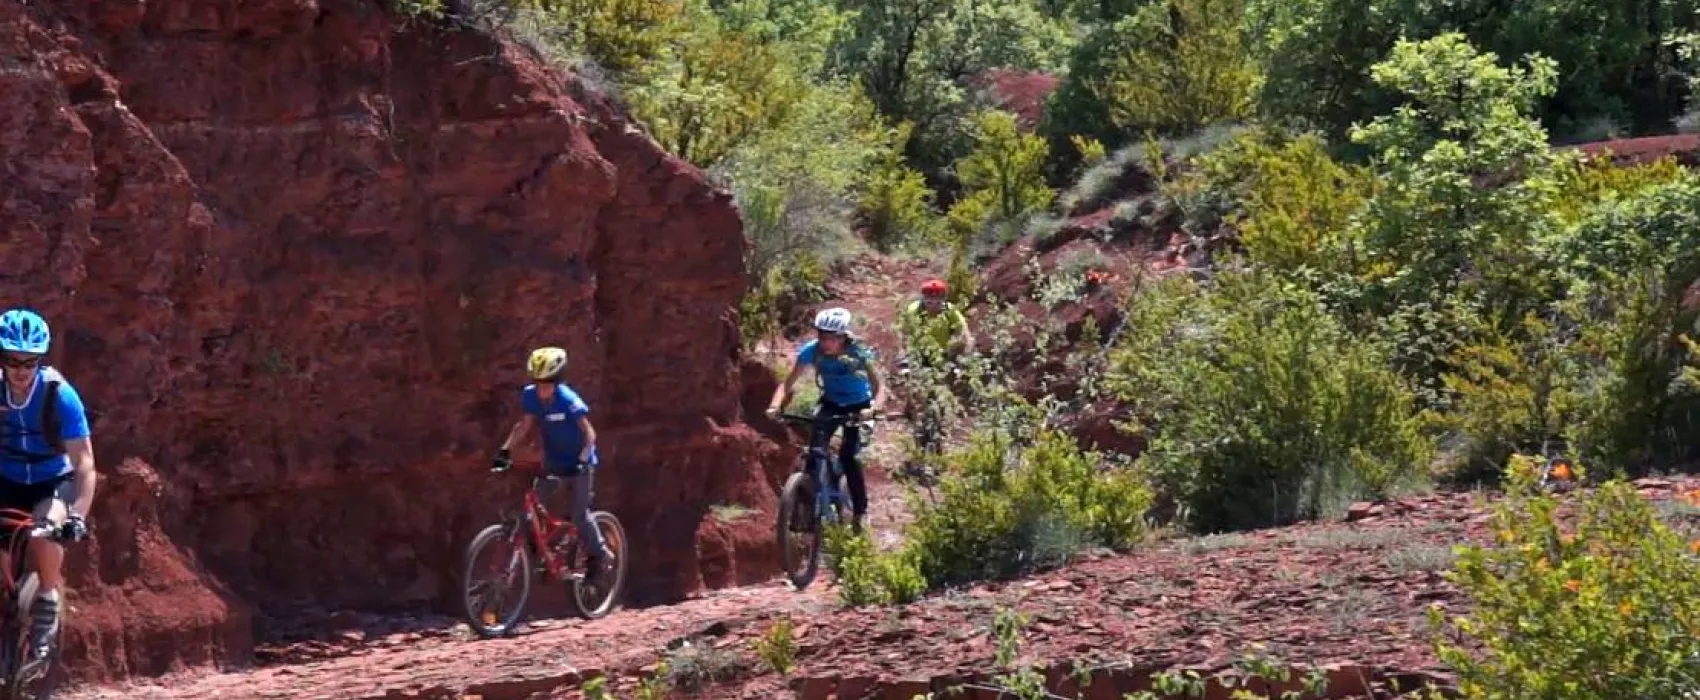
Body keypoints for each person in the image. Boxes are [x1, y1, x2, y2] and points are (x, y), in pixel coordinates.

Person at [0, 309, 93, 663]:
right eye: (12, 361)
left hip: (52, 479)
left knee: (45, 532)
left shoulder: (60, 395)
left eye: (30, 362)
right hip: (6, 476)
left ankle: (48, 598)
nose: (21, 370)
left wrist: (78, 516)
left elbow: (84, 462)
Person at [491, 347, 613, 579]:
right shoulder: (530, 396)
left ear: (557, 381)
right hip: (554, 462)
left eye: (547, 383)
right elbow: (524, 426)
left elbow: (590, 434)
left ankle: (600, 555)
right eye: (538, 383)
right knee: (531, 512)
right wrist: (505, 451)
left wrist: (583, 459)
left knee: (579, 514)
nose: (541, 389)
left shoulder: (568, 400)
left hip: (580, 464)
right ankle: (545, 557)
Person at [765, 307, 885, 533]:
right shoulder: (811, 351)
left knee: (849, 456)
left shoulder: (857, 352)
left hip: (858, 406)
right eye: (822, 336)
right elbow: (787, 383)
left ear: (843, 336)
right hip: (830, 402)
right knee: (812, 455)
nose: (826, 342)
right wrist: (775, 405)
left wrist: (873, 409)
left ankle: (860, 513)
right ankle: (806, 512)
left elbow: (880, 387)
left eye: (832, 337)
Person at [896, 279, 972, 372]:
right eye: (930, 302)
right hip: (919, 353)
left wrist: (955, 349)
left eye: (938, 302)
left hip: (945, 353)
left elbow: (963, 332)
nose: (934, 306)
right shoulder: (913, 310)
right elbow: (905, 333)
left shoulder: (950, 311)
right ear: (923, 299)